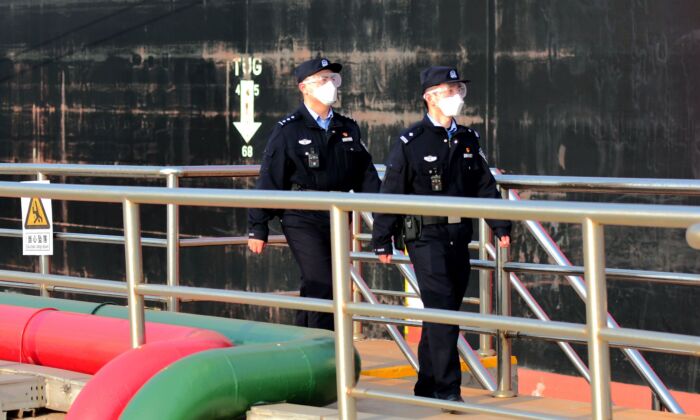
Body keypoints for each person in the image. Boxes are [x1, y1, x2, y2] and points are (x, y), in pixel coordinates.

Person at [371, 66, 512, 406]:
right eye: (449, 91)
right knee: (444, 311)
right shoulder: (411, 142)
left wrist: (501, 225)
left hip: (458, 234)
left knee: (444, 308)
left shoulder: (467, 140)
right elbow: (391, 192)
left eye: (459, 90)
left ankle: (426, 383)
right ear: (430, 97)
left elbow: (484, 185)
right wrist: (382, 238)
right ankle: (449, 389)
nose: (457, 97)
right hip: (425, 237)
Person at [248, 57, 381, 331]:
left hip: (336, 215)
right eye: (323, 80)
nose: (330, 85)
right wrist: (257, 227)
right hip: (301, 215)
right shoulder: (289, 130)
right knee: (324, 282)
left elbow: (365, 174)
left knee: (318, 281)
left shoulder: (347, 128)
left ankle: (304, 341)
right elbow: (270, 177)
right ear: (304, 88)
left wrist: (385, 216)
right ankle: (326, 346)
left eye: (333, 79)